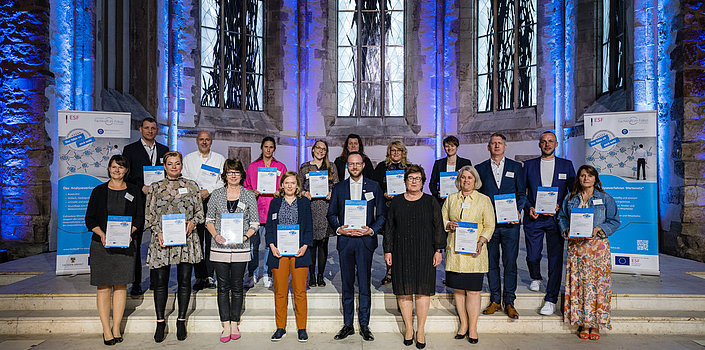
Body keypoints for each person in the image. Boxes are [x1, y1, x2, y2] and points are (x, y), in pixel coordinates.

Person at [144, 151, 204, 342]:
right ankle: (160, 321)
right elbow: (149, 215)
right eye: (170, 164)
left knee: (185, 280)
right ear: (164, 166)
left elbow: (200, 214)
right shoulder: (155, 188)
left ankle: (181, 319)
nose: (173, 167)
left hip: (186, 240)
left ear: (181, 165)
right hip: (162, 240)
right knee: (160, 281)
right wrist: (157, 231)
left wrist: (193, 223)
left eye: (177, 163)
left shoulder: (192, 186)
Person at [383, 164, 445, 349]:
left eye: (418, 178)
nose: (414, 181)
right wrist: (388, 250)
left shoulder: (430, 201)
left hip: (425, 252)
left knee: (422, 290)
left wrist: (438, 250)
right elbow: (389, 228)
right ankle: (409, 328)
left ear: (423, 182)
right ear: (405, 181)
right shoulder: (396, 202)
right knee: (404, 290)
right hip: (401, 251)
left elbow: (438, 226)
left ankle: (421, 330)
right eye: (411, 178)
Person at [85, 155, 144, 345]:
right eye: (113, 167)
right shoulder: (98, 191)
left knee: (120, 286)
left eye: (121, 167)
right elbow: (90, 219)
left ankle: (116, 326)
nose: (117, 170)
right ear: (108, 169)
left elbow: (139, 219)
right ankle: (106, 329)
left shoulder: (134, 191)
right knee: (103, 287)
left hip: (126, 244)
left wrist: (130, 233)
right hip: (101, 245)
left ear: (127, 170)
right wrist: (102, 234)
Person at [327, 151, 385, 341]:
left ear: (363, 165)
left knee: (364, 284)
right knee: (347, 284)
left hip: (365, 241)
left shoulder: (374, 186)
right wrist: (339, 229)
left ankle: (365, 325)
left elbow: (382, 215)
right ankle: (348, 324)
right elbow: (331, 214)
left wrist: (371, 230)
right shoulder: (339, 187)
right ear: (347, 167)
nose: (354, 167)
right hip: (346, 241)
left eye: (357, 164)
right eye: (351, 164)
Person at [558, 165, 620, 341]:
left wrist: (600, 228)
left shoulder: (605, 198)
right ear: (578, 178)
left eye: (590, 176)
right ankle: (583, 323)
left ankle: (596, 324)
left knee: (598, 286)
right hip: (577, 249)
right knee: (579, 286)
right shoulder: (570, 198)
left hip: (597, 248)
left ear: (595, 179)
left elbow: (615, 220)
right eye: (583, 175)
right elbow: (561, 217)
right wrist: (566, 229)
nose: (586, 178)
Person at [205, 159, 259, 342]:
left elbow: (255, 223)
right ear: (225, 175)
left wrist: (245, 237)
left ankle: (235, 321)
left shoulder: (249, 195)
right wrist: (216, 236)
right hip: (219, 247)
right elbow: (209, 220)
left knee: (237, 286)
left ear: (242, 175)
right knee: (222, 287)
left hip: (241, 248)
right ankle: (225, 324)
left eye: (236, 172)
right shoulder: (216, 194)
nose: (233, 175)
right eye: (230, 172)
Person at [522, 131, 575, 315]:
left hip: (555, 220)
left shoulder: (566, 165)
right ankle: (535, 276)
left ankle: (551, 298)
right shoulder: (528, 165)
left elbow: (572, 192)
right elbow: (522, 192)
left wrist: (563, 205)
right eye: (544, 142)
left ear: (556, 144)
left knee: (555, 259)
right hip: (534, 218)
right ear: (539, 144)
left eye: (550, 141)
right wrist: (529, 207)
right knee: (532, 256)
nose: (547, 144)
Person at [474, 133, 526, 319]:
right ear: (488, 147)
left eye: (500, 143)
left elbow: (521, 194)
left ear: (505, 147)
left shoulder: (516, 167)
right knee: (491, 263)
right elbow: (478, 197)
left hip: (510, 225)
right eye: (493, 143)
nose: (496, 146)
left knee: (510, 263)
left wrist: (518, 210)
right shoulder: (479, 168)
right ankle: (495, 299)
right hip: (489, 226)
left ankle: (509, 301)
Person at [442, 165, 495, 344]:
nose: (466, 180)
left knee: (473, 291)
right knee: (458, 290)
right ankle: (463, 324)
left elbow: (489, 225)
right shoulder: (451, 199)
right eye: (463, 177)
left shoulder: (484, 200)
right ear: (459, 180)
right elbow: (442, 219)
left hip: (475, 253)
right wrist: (449, 224)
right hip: (455, 253)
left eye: (469, 178)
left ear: (475, 180)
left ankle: (473, 327)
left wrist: (481, 241)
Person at [122, 117, 169, 296]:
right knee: (135, 242)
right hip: (138, 201)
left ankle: (158, 280)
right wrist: (140, 186)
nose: (150, 131)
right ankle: (135, 282)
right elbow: (126, 176)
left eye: (153, 128)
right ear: (140, 129)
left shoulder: (164, 150)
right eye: (147, 128)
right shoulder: (130, 150)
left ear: (157, 131)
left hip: (159, 203)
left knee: (160, 241)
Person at [265, 171, 314, 342]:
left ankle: (302, 327)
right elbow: (269, 227)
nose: (290, 186)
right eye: (287, 183)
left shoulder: (304, 203)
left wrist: (305, 246)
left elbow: (309, 227)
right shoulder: (275, 202)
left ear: (297, 185)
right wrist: (271, 246)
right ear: (282, 185)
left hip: (299, 251)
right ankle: (280, 327)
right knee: (280, 291)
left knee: (300, 291)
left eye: (293, 183)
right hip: (279, 253)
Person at [182, 130, 226, 291]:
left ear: (211, 141)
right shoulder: (188, 159)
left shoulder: (219, 159)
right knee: (197, 240)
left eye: (207, 139)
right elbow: (185, 180)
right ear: (197, 141)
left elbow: (223, 181)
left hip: (213, 202)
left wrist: (209, 190)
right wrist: (197, 193)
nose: (204, 142)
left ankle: (210, 275)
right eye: (201, 139)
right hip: (194, 204)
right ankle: (199, 276)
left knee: (212, 240)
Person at [243, 136, 287, 288]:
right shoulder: (252, 167)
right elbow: (246, 187)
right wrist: (252, 192)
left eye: (271, 147)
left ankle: (268, 273)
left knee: (270, 244)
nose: (268, 150)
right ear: (261, 148)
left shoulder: (280, 167)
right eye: (266, 147)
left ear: (274, 149)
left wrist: (279, 192)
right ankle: (252, 273)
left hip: (273, 210)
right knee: (253, 245)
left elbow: (286, 187)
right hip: (255, 210)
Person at [297, 140, 339, 287]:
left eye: (324, 149)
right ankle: (312, 276)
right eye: (318, 148)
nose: (321, 151)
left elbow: (337, 187)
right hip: (310, 208)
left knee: (323, 243)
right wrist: (303, 192)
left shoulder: (331, 167)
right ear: (313, 149)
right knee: (311, 244)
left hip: (326, 208)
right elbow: (298, 187)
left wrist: (331, 193)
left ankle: (321, 275)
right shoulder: (305, 167)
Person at [373, 140, 410, 285]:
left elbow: (416, 184)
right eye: (393, 150)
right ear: (389, 152)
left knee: (405, 240)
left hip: (405, 208)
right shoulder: (382, 167)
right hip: (387, 208)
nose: (396, 153)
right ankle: (389, 271)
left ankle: (403, 271)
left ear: (403, 152)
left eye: (398, 150)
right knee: (389, 240)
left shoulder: (409, 168)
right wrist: (384, 193)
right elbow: (375, 187)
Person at [429, 136, 472, 203]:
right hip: (443, 201)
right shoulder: (438, 163)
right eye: (447, 146)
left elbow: (470, 181)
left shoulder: (465, 163)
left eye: (452, 146)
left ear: (457, 147)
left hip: (460, 199)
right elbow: (432, 183)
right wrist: (437, 194)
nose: (449, 148)